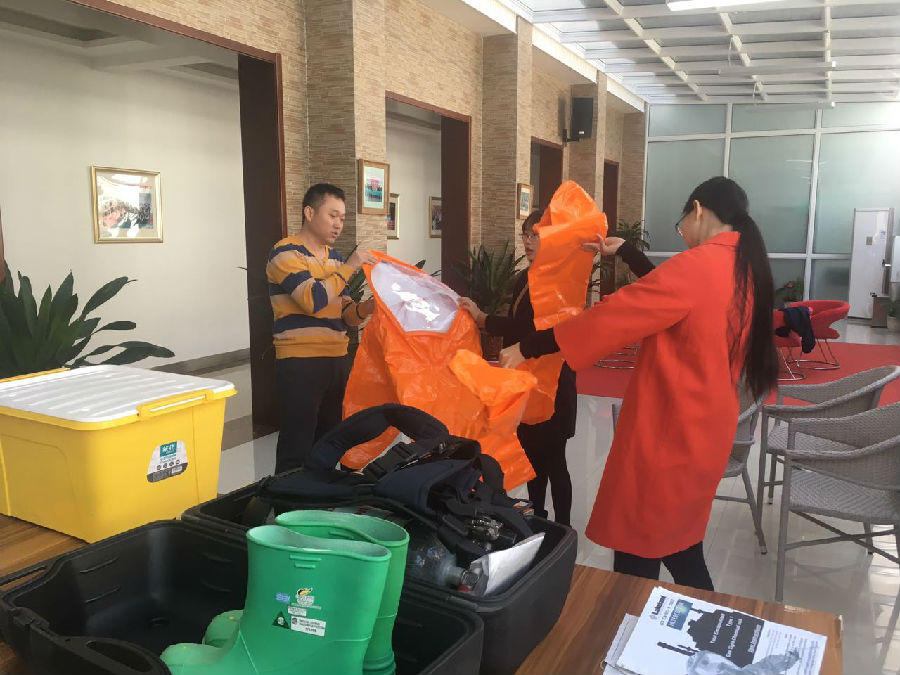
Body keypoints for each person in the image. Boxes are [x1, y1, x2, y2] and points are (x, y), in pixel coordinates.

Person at [500, 177, 777, 590]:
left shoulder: (699, 266)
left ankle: (632, 617)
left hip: (669, 432)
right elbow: (667, 297)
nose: (683, 233)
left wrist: (529, 346)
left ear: (698, 210)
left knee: (639, 548)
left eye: (681, 224)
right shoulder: (743, 266)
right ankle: (691, 616)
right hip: (707, 430)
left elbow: (616, 316)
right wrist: (627, 252)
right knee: (680, 545)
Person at [458, 210, 576, 526]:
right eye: (525, 234)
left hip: (554, 385)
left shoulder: (558, 281)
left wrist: (483, 319)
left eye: (536, 234)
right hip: (526, 382)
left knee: (555, 460)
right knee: (533, 458)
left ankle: (563, 527)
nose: (528, 241)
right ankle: (538, 518)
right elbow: (517, 327)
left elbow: (530, 329)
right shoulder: (525, 276)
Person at [267, 183, 377, 474]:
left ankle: (320, 498)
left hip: (337, 360)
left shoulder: (335, 258)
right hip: (299, 362)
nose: (338, 224)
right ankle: (287, 501)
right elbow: (313, 300)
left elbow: (346, 316)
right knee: (297, 446)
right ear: (309, 212)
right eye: (333, 215)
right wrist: (350, 266)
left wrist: (368, 308)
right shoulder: (285, 252)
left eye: (342, 218)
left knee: (329, 444)